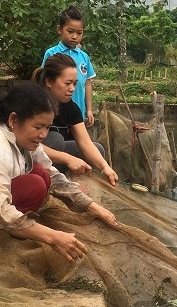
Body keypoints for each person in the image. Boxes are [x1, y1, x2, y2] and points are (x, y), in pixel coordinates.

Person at [0, 82, 118, 262]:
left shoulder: (26, 142)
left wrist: (91, 206)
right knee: (35, 184)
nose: (43, 135)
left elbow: (54, 175)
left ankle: (22, 228)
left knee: (43, 174)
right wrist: (53, 237)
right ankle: (13, 231)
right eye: (38, 127)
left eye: (47, 127)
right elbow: (2, 209)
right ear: (13, 120)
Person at [32, 53, 118, 186]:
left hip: (54, 157)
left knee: (97, 149)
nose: (72, 89)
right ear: (49, 81)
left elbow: (85, 143)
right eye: (67, 83)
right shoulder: (32, 103)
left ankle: (67, 178)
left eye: (75, 83)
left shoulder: (71, 108)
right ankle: (47, 181)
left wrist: (104, 167)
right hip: (29, 157)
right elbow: (26, 144)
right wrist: (67, 159)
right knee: (56, 139)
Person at [42, 5, 96, 126]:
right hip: (56, 113)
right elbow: (43, 82)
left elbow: (87, 83)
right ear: (59, 29)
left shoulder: (84, 57)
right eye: (70, 31)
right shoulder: (51, 53)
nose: (74, 36)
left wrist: (89, 109)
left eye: (79, 33)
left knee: (79, 143)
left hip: (78, 114)